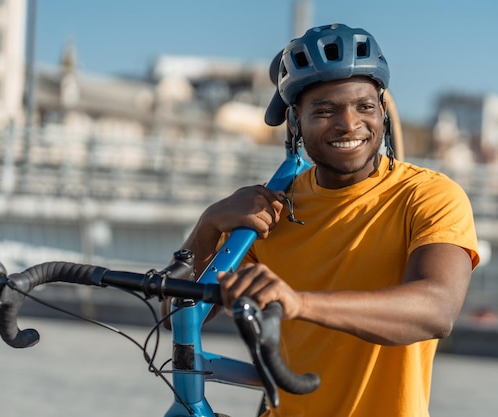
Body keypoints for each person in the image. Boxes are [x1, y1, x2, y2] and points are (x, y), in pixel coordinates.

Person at [179, 23, 479, 417]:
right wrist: (207, 225)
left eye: (365, 107)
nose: (349, 124)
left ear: (383, 114)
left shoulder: (426, 195)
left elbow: (436, 310)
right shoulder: (270, 211)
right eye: (325, 110)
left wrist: (299, 303)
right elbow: (179, 321)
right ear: (294, 122)